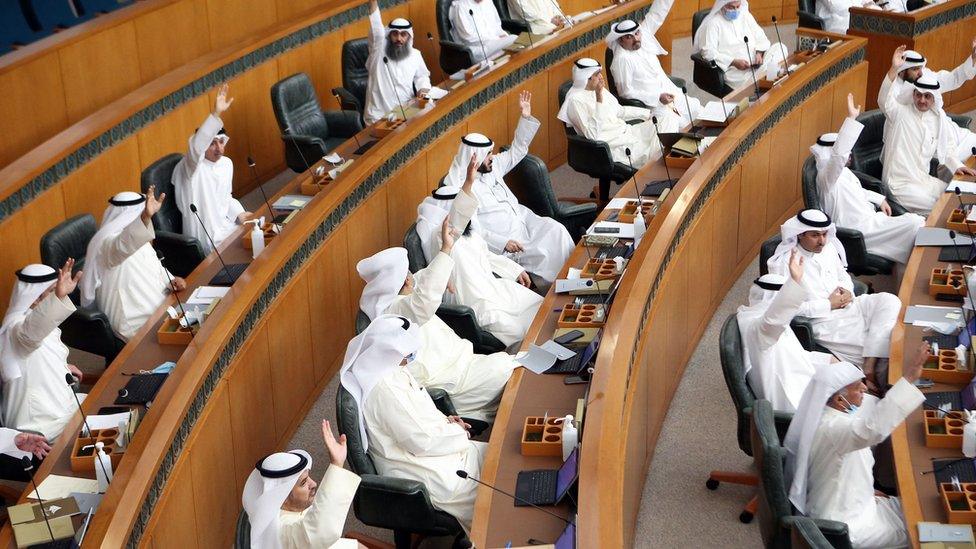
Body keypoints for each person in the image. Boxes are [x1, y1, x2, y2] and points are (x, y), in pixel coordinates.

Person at [358, 182, 520, 418]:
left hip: (464, 363)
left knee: (512, 364)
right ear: (402, 281)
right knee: (511, 370)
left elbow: (423, 280)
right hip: (452, 377)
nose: (412, 275)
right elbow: (422, 304)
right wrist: (445, 249)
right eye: (408, 274)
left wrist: (440, 272)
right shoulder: (396, 313)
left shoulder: (401, 297)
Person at [340, 315, 485, 531]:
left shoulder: (392, 369)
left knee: (499, 462)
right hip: (420, 467)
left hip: (438, 446)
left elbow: (419, 413)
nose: (411, 355)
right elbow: (421, 441)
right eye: (406, 351)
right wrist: (457, 432)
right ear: (390, 351)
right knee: (490, 498)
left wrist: (445, 420)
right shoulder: (384, 388)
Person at [784, 344, 928, 548]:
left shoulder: (826, 418)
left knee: (914, 506)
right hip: (848, 524)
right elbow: (872, 429)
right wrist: (910, 377)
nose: (865, 388)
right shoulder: (835, 428)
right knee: (920, 530)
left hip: (854, 502)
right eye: (857, 386)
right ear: (838, 399)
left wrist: (867, 491)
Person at [443, 90, 573, 282]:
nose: (491, 158)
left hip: (524, 222)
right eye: (488, 155)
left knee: (557, 231)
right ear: (475, 158)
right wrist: (502, 242)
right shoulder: (463, 190)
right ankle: (560, 288)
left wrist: (525, 117)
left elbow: (517, 150)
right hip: (508, 242)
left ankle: (575, 275)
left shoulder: (491, 167)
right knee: (546, 255)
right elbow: (472, 232)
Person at [766, 209, 900, 390]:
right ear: (800, 235)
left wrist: (847, 291)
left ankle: (870, 362)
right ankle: (876, 369)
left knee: (889, 300)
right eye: (815, 235)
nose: (822, 241)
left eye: (824, 234)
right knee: (881, 344)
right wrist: (828, 304)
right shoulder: (785, 263)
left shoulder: (828, 248)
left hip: (851, 305)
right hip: (825, 321)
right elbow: (783, 308)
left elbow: (843, 275)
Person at [415, 158, 543, 346]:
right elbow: (456, 220)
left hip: (494, 289)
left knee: (538, 305)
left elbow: (487, 254)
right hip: (476, 303)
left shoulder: (469, 232)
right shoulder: (442, 238)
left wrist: (515, 269)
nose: (468, 215)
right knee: (518, 331)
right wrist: (468, 182)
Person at [812, 93, 924, 265]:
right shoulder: (826, 178)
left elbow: (858, 191)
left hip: (872, 220)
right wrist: (851, 119)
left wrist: (879, 199)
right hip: (860, 230)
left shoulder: (844, 173)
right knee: (915, 224)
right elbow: (838, 156)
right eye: (846, 152)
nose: (850, 156)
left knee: (916, 221)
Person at [879, 46, 976, 215]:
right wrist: (894, 68)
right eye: (918, 95)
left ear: (934, 98)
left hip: (924, 180)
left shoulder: (936, 119)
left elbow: (948, 150)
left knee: (957, 195)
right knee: (942, 208)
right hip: (900, 184)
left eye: (927, 96)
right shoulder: (899, 112)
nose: (922, 100)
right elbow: (884, 99)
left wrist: (957, 166)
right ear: (913, 94)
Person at [80, 189, 187, 341]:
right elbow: (123, 245)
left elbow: (156, 269)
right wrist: (145, 217)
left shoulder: (139, 240)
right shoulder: (106, 245)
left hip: (160, 307)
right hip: (134, 322)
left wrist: (173, 281)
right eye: (138, 214)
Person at [738, 252, 836, 412]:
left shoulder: (763, 320)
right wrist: (795, 281)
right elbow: (773, 321)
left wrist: (830, 360)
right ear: (776, 300)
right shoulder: (757, 328)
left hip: (803, 384)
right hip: (793, 403)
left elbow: (796, 357)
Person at [242, 420, 363, 549]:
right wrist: (336, 464)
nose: (314, 484)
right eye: (303, 483)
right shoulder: (283, 531)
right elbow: (317, 532)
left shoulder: (289, 513)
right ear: (282, 498)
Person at [0, 262, 83, 440]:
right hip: (39, 424)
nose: (58, 296)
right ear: (35, 298)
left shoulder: (36, 320)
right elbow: (30, 335)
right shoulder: (15, 328)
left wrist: (63, 367)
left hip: (59, 405)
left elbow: (34, 357)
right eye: (53, 291)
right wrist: (59, 296)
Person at [557, 58, 681, 169]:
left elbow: (619, 111)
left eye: (600, 73)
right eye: (596, 74)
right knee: (660, 148)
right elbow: (592, 135)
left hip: (628, 132)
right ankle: (657, 167)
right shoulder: (575, 101)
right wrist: (599, 98)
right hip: (614, 146)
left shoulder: (598, 88)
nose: (601, 77)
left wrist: (648, 114)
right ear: (586, 78)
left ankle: (657, 161)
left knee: (668, 117)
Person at [173, 83, 251, 254]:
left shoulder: (226, 163)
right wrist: (216, 114)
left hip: (228, 227)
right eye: (212, 143)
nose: (219, 149)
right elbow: (196, 148)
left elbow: (225, 197)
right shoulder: (192, 168)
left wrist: (239, 213)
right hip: (207, 238)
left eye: (221, 142)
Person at [606, 0, 700, 126]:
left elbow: (657, 14)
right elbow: (625, 92)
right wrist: (657, 97)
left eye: (637, 33)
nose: (636, 39)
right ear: (620, 41)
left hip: (671, 93)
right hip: (653, 105)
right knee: (681, 127)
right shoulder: (622, 60)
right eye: (629, 37)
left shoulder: (643, 38)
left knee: (699, 111)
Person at [886, 42, 976, 164]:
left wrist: (973, 59)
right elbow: (885, 103)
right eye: (915, 69)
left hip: (947, 130)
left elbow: (953, 78)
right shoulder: (894, 89)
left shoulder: (927, 77)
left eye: (920, 68)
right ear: (902, 70)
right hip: (923, 139)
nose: (920, 73)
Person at [692, 0, 790, 90]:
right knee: (773, 70)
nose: (735, 10)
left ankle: (767, 78)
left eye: (738, 6)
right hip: (736, 74)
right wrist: (734, 62)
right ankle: (769, 78)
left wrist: (759, 54)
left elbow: (761, 37)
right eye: (731, 7)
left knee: (781, 47)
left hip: (756, 65)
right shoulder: (713, 23)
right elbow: (708, 52)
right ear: (722, 5)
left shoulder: (744, 15)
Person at [363, 0, 432, 125]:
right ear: (389, 35)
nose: (399, 39)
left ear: (409, 36)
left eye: (403, 35)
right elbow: (376, 26)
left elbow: (422, 75)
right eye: (395, 34)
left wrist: (423, 88)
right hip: (379, 116)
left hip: (406, 112)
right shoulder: (378, 49)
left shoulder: (415, 54)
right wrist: (373, 2)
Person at [449, 0, 518, 63]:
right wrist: (496, 39)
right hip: (477, 48)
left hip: (494, 43)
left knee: (518, 43)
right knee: (514, 40)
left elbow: (497, 25)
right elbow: (468, 37)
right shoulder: (460, 6)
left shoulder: (488, 1)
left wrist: (503, 35)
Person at [816, 0, 882, 34]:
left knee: (882, 23)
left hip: (856, 17)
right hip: (836, 22)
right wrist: (863, 8)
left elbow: (867, 2)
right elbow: (836, 7)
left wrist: (871, 5)